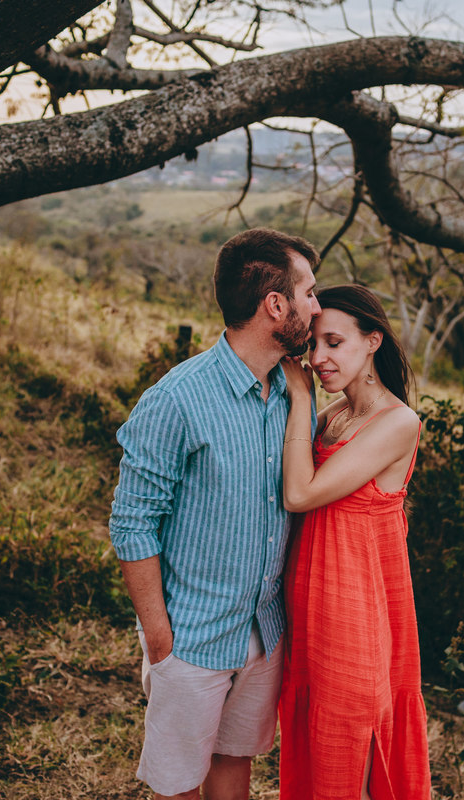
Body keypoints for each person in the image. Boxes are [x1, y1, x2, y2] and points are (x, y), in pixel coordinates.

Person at [108, 228, 321, 800]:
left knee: (234, 764)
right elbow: (132, 522)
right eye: (310, 292)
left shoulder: (294, 395)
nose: (317, 307)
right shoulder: (176, 400)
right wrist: (159, 637)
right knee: (179, 784)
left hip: (263, 632)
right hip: (192, 638)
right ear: (275, 305)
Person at [278, 284, 431, 800]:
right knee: (321, 749)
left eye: (334, 343)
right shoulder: (336, 416)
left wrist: (299, 397)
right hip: (312, 608)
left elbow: (300, 493)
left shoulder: (397, 422)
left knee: (354, 748)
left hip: (354, 617)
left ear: (373, 341)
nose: (318, 359)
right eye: (313, 345)